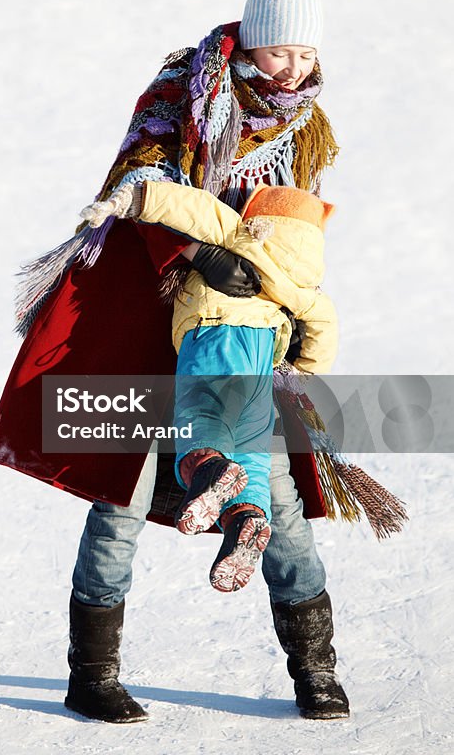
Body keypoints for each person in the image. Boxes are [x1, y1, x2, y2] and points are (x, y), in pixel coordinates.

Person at [0, 0, 350, 725]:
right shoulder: (183, 92)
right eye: (281, 51)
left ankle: (315, 674)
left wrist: (283, 302)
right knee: (123, 496)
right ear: (250, 39)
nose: (293, 69)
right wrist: (195, 254)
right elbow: (137, 181)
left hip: (241, 334)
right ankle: (92, 675)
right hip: (148, 324)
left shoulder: (306, 124)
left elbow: (296, 225)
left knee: (273, 501)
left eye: (305, 53)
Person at [81, 180, 337, 595]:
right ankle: (245, 518)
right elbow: (325, 326)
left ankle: (210, 470)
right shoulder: (304, 283)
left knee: (202, 430)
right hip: (234, 366)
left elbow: (186, 206)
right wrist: (298, 370)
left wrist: (131, 200)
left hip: (207, 345)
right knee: (250, 469)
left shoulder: (244, 228)